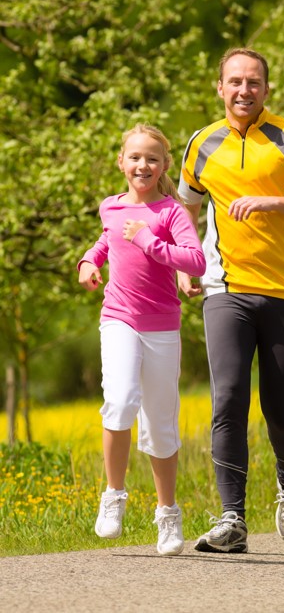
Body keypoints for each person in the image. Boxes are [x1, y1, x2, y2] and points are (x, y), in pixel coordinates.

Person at [177, 47, 284, 553]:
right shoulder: (201, 143)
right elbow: (184, 204)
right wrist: (186, 262)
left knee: (281, 410)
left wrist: (273, 202)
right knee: (227, 399)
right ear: (219, 88)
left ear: (266, 89)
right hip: (226, 289)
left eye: (254, 82)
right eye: (235, 81)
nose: (244, 90)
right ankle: (233, 519)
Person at [78, 124, 206, 556]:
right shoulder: (109, 208)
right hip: (118, 317)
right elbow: (107, 239)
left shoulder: (171, 213)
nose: (143, 165)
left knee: (159, 424)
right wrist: (89, 261)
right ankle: (114, 495)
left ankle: (167, 512)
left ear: (164, 165)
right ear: (121, 162)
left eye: (152, 158)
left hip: (162, 325)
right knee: (119, 399)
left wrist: (150, 241)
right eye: (134, 157)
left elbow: (195, 260)